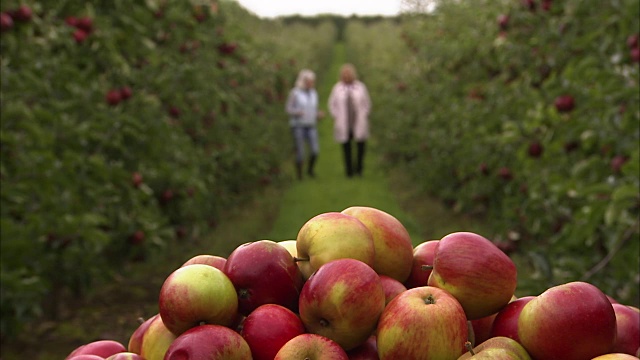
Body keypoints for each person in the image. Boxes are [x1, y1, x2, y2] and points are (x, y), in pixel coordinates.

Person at [328, 63, 371, 177]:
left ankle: (359, 169)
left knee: (360, 146)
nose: (346, 76)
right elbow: (332, 104)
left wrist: (364, 114)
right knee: (346, 147)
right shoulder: (337, 88)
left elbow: (367, 103)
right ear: (341, 76)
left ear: (353, 75)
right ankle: (349, 171)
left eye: (348, 74)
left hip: (358, 120)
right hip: (344, 122)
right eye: (344, 74)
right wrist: (336, 115)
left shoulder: (360, 87)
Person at [285, 69, 322, 180]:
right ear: (304, 81)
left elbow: (312, 108)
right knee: (300, 152)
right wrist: (297, 112)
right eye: (310, 81)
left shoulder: (313, 93)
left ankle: (310, 170)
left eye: (312, 81)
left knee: (315, 150)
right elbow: (288, 109)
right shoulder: (295, 93)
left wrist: (317, 114)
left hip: (311, 125)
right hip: (298, 125)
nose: (311, 83)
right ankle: (299, 175)